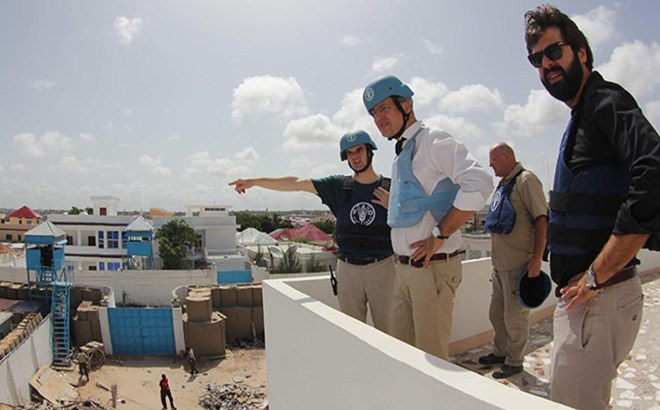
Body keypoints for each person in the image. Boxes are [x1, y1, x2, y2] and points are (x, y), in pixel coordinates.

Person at [524, 5, 660, 409]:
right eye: (537, 59)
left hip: (599, 300)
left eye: (554, 51)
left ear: (581, 53)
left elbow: (653, 170)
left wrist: (596, 276)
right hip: (593, 301)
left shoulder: (603, 100)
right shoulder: (582, 113)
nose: (546, 64)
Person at [362, 75, 493, 359]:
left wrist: (439, 235)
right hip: (404, 271)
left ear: (406, 105)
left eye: (384, 108)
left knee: (431, 360)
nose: (378, 118)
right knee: (402, 357)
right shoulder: (403, 152)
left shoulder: (433, 140)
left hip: (432, 268)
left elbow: (480, 183)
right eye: (373, 113)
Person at [229, 130, 396, 332]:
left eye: (359, 150)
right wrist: (255, 181)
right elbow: (296, 183)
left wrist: (394, 205)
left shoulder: (391, 188)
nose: (355, 156)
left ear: (370, 151)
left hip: (382, 268)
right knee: (352, 332)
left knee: (389, 332)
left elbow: (417, 219)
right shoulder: (339, 187)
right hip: (348, 269)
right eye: (350, 153)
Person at [479, 142, 548, 378]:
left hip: (518, 264)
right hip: (500, 266)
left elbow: (541, 219)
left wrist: (536, 260)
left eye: (493, 160)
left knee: (515, 317)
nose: (490, 165)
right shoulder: (505, 184)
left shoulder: (526, 181)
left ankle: (515, 360)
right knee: (497, 314)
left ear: (507, 157)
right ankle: (500, 352)